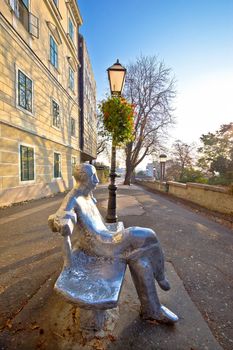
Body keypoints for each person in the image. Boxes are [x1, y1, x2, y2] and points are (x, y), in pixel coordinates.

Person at [48, 163, 178, 324]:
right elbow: (61, 216)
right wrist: (62, 220)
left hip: (107, 238)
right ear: (83, 179)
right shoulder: (73, 197)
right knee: (148, 235)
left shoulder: (87, 194)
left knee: (141, 260)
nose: (97, 180)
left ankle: (152, 310)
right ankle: (161, 277)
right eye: (93, 176)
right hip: (102, 246)